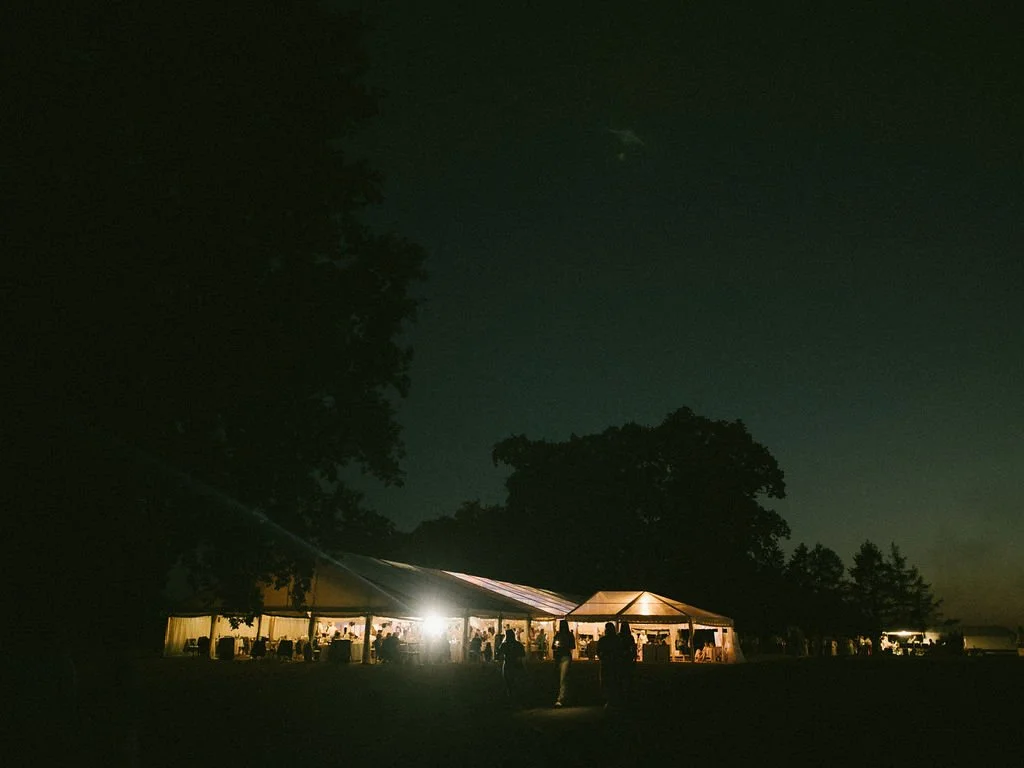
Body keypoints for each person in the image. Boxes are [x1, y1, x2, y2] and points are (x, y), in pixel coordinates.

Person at [496, 627, 526, 702]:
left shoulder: (504, 645)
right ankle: (516, 696)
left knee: (507, 681)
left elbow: (498, 654)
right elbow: (522, 655)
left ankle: (509, 695)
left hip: (507, 663)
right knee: (516, 680)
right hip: (516, 663)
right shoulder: (518, 644)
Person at [551, 619, 576, 707]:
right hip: (560, 657)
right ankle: (564, 696)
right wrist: (557, 645)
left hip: (564, 657)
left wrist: (562, 645)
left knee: (563, 678)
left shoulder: (566, 635)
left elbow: (573, 646)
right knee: (560, 678)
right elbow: (553, 646)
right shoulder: (560, 635)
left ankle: (561, 698)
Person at [596, 621, 621, 707]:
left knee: (605, 680)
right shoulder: (617, 639)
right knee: (613, 679)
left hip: (606, 662)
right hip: (614, 663)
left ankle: (606, 698)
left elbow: (598, 650)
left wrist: (601, 657)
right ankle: (613, 698)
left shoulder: (603, 639)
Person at [618, 622, 638, 703]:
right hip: (628, 658)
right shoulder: (630, 637)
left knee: (621, 676)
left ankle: (621, 693)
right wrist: (634, 657)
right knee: (628, 676)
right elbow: (633, 647)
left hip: (620, 658)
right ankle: (628, 693)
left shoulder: (619, 636)